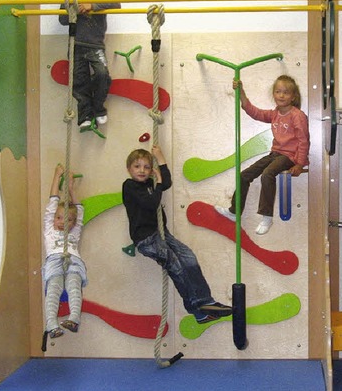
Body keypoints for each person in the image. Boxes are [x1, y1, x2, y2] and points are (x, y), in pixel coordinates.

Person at [122, 145, 232, 324]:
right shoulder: (130, 186)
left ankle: (204, 308)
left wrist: (160, 158)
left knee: (189, 258)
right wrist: (156, 184)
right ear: (129, 169)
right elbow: (151, 203)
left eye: (146, 167)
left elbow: (166, 183)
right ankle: (197, 306)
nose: (142, 170)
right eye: (137, 166)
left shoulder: (150, 183)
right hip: (146, 239)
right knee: (176, 268)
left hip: (161, 233)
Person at [215, 75, 310, 235]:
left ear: (293, 97)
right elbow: (254, 112)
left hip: (289, 157)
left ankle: (267, 216)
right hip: (275, 154)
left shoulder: (297, 115)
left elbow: (303, 141)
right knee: (244, 175)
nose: (281, 95)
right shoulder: (274, 114)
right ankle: (234, 211)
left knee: (267, 175)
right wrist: (241, 92)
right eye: (278, 91)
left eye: (286, 93)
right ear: (273, 94)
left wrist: (299, 164)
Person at [58, 0, 120, 129]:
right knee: (79, 81)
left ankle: (98, 108)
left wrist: (92, 6)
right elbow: (62, 20)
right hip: (76, 45)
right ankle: (84, 114)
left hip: (95, 45)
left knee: (102, 75)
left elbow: (116, 4)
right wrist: (75, 11)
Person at [43, 164, 86, 338]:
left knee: (74, 287)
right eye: (59, 217)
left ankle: (74, 319)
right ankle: (51, 325)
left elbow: (79, 211)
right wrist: (56, 175)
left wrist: (70, 188)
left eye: (67, 219)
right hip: (54, 261)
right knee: (53, 289)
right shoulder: (50, 229)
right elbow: (53, 200)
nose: (61, 222)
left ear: (73, 223)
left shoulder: (74, 231)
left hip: (74, 261)